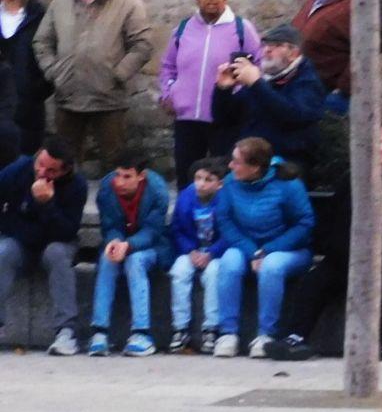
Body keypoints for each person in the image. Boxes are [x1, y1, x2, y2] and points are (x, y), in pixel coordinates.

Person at [268, 123, 382, 362]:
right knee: (315, 279)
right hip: (347, 256)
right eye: (378, 142)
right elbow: (333, 219)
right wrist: (336, 247)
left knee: (377, 275)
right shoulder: (352, 178)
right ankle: (297, 337)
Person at [33, 0, 153, 173]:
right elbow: (42, 41)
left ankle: (115, 209)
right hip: (68, 98)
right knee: (60, 168)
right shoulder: (61, 3)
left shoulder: (128, 4)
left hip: (108, 101)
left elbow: (143, 45)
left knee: (116, 167)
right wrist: (54, 72)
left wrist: (117, 75)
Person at [210, 137, 315, 358]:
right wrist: (253, 251)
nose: (230, 166)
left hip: (287, 250)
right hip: (247, 247)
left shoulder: (288, 184)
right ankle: (228, 332)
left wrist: (268, 250)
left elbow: (304, 223)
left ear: (255, 167)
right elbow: (225, 220)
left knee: (271, 267)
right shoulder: (230, 183)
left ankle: (266, 334)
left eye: (236, 162)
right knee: (229, 261)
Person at [157, 0, 261, 185]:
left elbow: (258, 64)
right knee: (186, 176)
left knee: (223, 177)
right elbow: (168, 66)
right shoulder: (183, 29)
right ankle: (187, 215)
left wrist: (240, 96)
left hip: (224, 118)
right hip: (187, 118)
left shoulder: (242, 29)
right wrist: (169, 93)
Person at [0, 138, 87, 354]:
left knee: (57, 254)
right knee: (4, 252)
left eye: (51, 171)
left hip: (57, 242)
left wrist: (47, 204)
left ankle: (66, 332)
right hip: (21, 241)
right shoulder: (19, 170)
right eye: (40, 164)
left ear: (63, 172)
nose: (41, 172)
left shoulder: (76, 186)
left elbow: (66, 231)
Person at [83, 151, 173, 357]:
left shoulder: (158, 191)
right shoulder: (107, 189)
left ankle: (142, 332)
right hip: (121, 241)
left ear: (141, 176)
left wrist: (129, 245)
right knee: (107, 259)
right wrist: (114, 242)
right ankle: (99, 331)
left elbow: (152, 231)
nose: (120, 182)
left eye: (127, 176)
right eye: (117, 175)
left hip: (152, 247)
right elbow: (109, 225)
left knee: (135, 261)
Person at [212, 25, 328, 172]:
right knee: (201, 177)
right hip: (247, 158)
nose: (267, 50)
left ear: (294, 53)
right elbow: (224, 119)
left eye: (277, 45)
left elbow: (293, 116)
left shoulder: (307, 81)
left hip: (285, 162)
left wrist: (256, 84)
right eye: (266, 45)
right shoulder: (263, 81)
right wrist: (223, 89)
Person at [294, 0, 379, 97]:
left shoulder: (359, 1)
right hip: (301, 88)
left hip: (328, 93)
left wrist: (341, 90)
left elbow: (366, 49)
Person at [166, 158, 227, 353]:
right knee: (179, 271)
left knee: (213, 274)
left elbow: (230, 232)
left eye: (208, 180)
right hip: (191, 250)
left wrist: (212, 253)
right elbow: (177, 229)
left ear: (220, 184)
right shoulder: (186, 197)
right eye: (198, 178)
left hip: (217, 252)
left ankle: (211, 328)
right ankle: (180, 327)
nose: (201, 183)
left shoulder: (226, 200)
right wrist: (190, 250)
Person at [0, 0, 49, 156]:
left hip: (28, 107)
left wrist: (36, 90)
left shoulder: (39, 17)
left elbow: (49, 56)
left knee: (25, 166)